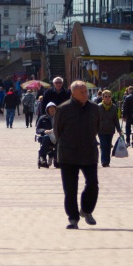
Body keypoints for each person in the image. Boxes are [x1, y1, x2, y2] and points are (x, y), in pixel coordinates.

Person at [52, 79, 101, 228]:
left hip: (89, 152)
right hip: (68, 154)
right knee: (70, 189)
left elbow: (97, 126)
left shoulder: (94, 108)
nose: (85, 94)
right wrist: (68, 143)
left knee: (93, 185)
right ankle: (73, 218)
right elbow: (57, 131)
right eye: (82, 92)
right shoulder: (63, 109)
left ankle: (86, 210)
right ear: (73, 93)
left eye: (86, 91)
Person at [95, 89, 122, 167]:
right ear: (102, 97)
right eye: (106, 96)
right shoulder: (98, 106)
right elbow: (95, 118)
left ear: (111, 97)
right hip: (101, 129)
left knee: (108, 145)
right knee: (103, 145)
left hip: (110, 129)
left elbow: (116, 119)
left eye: (109, 96)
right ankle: (104, 161)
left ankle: (107, 161)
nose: (107, 98)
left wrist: (119, 130)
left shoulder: (114, 107)